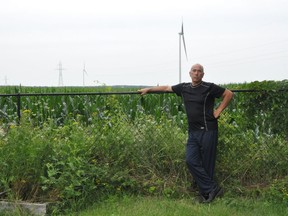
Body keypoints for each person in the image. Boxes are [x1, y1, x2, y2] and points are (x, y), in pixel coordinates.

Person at [138, 63, 233, 203]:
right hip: (193, 132)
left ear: (203, 74)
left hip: (208, 130)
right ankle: (212, 188)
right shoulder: (184, 88)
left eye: (199, 71)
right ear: (190, 73)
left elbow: (228, 94)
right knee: (191, 160)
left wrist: (218, 111)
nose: (196, 73)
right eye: (194, 71)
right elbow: (166, 88)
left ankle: (206, 194)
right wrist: (149, 89)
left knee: (207, 164)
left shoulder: (209, 87)